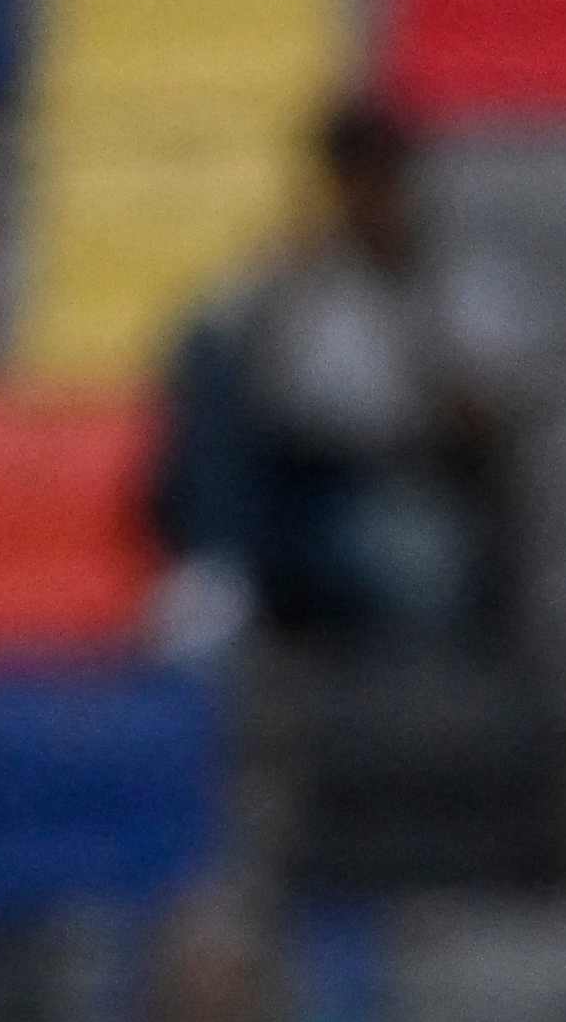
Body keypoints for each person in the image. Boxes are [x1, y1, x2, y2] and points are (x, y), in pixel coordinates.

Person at [151, 103, 538, 657]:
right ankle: (217, 578)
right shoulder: (298, 272)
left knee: (416, 572)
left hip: (397, 482)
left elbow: (489, 424)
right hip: (290, 478)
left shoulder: (461, 282)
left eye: (379, 177)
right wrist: (291, 281)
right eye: (347, 177)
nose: (364, 197)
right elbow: (214, 358)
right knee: (211, 360)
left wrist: (412, 306)